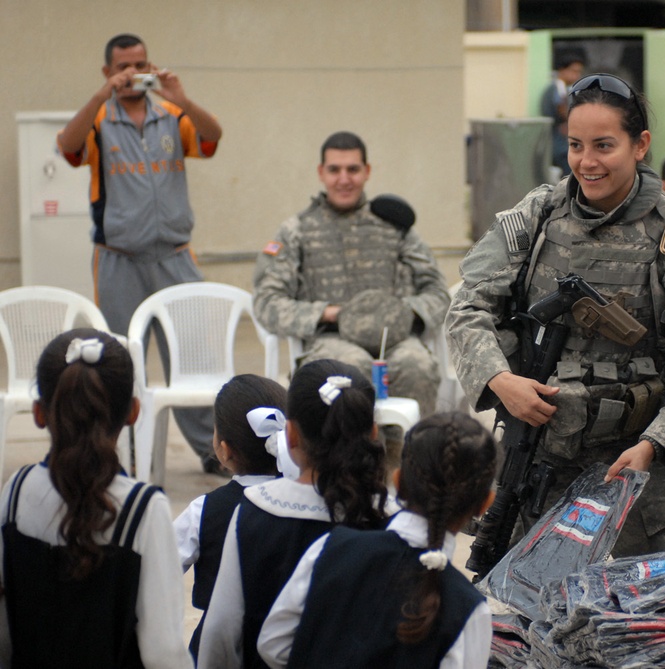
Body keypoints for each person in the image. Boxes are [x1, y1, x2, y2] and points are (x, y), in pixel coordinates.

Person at [447, 72, 665, 557]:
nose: (587, 162)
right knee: (529, 612)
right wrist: (499, 380)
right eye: (575, 145)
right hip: (536, 459)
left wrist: (655, 448)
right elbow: (468, 307)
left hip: (634, 464)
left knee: (659, 614)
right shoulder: (537, 216)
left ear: (641, 146)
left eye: (604, 145)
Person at [57, 33, 224, 474]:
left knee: (190, 358)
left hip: (174, 256)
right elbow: (67, 147)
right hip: (118, 259)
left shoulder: (171, 114)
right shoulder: (98, 120)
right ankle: (119, 452)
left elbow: (212, 136)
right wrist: (98, 97)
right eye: (123, 67)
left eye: (140, 64)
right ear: (108, 72)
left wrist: (181, 97)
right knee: (115, 360)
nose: (133, 75)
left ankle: (212, 452)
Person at [0, 329, 192, 668]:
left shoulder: (15, 492)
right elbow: (164, 653)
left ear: (38, 412)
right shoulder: (143, 510)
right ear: (133, 412)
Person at [258, 411, 498, 668]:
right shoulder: (469, 610)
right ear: (485, 504)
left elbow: (273, 644)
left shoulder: (330, 548)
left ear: (398, 481)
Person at [197, 359, 388, 668]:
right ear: (373, 432)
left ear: (291, 436)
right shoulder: (392, 517)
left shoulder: (254, 510)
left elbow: (221, 627)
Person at [252, 131, 450, 420]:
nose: (344, 179)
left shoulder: (394, 226)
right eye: (334, 169)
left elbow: (437, 292)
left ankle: (410, 459)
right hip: (330, 341)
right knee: (350, 370)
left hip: (393, 340)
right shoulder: (297, 231)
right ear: (321, 173)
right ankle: (350, 463)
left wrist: (397, 313)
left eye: (353, 169)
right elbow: (267, 303)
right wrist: (330, 313)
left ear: (367, 172)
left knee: (417, 364)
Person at [173, 374, 288, 660]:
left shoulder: (205, 510)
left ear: (223, 450)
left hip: (219, 651)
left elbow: (160, 570)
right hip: (291, 647)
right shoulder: (310, 503)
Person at [541, 53, 586, 177]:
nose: (577, 75)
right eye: (574, 71)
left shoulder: (567, 90)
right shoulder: (554, 91)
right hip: (558, 144)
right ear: (562, 70)